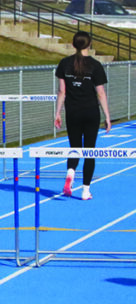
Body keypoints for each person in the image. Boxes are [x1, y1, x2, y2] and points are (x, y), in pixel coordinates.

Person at [53, 30, 111, 200]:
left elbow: (62, 91)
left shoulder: (64, 63)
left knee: (75, 148)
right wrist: (107, 116)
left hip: (73, 112)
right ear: (89, 44)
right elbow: (100, 93)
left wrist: (57, 113)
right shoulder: (95, 65)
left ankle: (70, 173)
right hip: (91, 112)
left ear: (73, 45)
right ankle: (85, 190)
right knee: (89, 150)